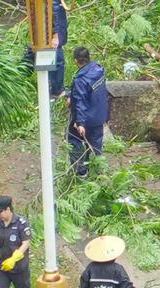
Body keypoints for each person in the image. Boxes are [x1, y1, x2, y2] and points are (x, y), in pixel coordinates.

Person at [67, 46, 108, 177]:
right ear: (88, 57)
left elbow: (80, 101)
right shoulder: (99, 70)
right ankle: (97, 170)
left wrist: (79, 123)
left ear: (75, 61)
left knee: (74, 141)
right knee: (96, 144)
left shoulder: (81, 79)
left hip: (85, 119)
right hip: (99, 115)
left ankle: (80, 172)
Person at [50, 0, 68, 100]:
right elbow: (54, 9)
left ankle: (56, 89)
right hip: (53, 31)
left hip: (55, 27)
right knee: (57, 58)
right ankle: (56, 90)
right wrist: (55, 35)